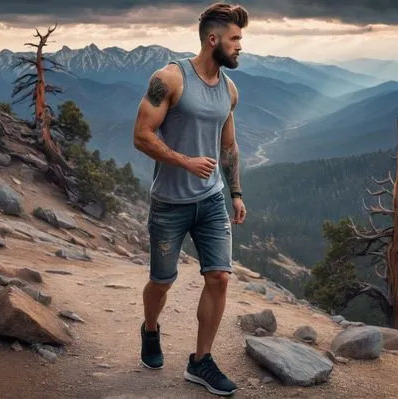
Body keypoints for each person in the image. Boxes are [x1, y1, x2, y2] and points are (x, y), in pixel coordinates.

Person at [132, 2, 249, 396]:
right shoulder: (170, 78)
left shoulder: (229, 90)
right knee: (161, 281)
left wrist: (234, 192)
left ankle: (201, 362)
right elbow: (142, 135)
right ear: (213, 40)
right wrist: (185, 161)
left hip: (212, 200)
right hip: (169, 202)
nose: (240, 46)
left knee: (219, 277)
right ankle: (150, 329)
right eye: (235, 39)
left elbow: (229, 147)